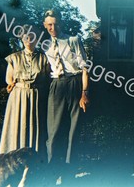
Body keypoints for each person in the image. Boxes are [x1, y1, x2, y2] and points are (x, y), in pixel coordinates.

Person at [43, 9, 89, 183]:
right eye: (49, 24)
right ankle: (52, 173)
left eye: (55, 24)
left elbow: (85, 68)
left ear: (61, 23)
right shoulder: (44, 45)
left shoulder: (73, 40)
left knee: (73, 131)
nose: (53, 27)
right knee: (53, 132)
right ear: (45, 25)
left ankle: (69, 176)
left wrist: (85, 93)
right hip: (57, 85)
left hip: (75, 84)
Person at [0, 25, 49, 162]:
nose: (29, 39)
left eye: (32, 36)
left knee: (34, 126)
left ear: (37, 38)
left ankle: (35, 160)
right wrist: (11, 85)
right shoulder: (14, 58)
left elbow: (47, 79)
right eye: (26, 36)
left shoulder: (44, 58)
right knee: (17, 125)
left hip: (36, 96)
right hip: (18, 96)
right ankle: (12, 159)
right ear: (21, 38)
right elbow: (9, 79)